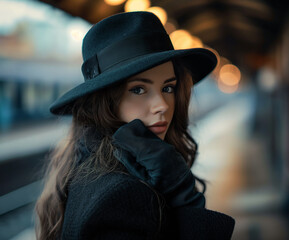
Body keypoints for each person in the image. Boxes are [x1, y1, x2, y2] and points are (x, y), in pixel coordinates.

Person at [35, 11, 235, 240]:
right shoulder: (122, 196)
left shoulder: (86, 167)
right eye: (138, 89)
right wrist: (184, 197)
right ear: (106, 102)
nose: (162, 105)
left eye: (168, 88)